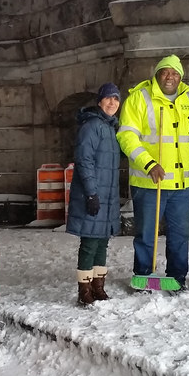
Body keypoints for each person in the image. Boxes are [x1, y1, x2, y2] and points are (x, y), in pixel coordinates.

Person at [117, 55, 189, 289]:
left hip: (181, 187)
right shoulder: (139, 99)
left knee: (180, 235)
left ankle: (177, 278)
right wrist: (149, 163)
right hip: (149, 183)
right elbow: (127, 136)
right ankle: (144, 276)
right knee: (146, 235)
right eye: (165, 71)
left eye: (175, 73)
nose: (170, 76)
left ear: (181, 77)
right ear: (157, 74)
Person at [66, 82, 122, 305]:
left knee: (101, 242)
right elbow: (84, 160)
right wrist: (91, 193)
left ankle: (99, 287)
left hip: (107, 196)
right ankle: (85, 290)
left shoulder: (110, 127)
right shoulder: (92, 126)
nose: (112, 102)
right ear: (99, 101)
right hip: (94, 194)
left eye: (116, 99)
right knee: (90, 242)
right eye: (108, 98)